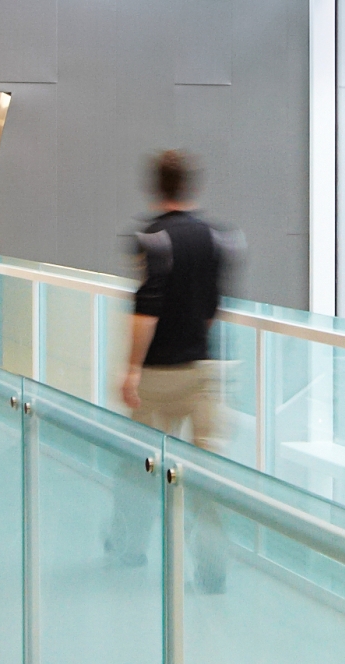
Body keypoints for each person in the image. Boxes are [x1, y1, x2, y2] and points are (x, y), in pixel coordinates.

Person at [105, 150, 242, 591]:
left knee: (137, 468)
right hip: (204, 374)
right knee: (205, 478)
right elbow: (212, 309)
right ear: (191, 186)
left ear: (156, 188)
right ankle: (212, 569)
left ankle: (128, 547)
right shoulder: (220, 239)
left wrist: (131, 371)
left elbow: (146, 313)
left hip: (159, 378)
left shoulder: (151, 239)